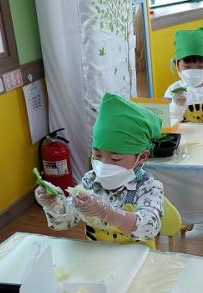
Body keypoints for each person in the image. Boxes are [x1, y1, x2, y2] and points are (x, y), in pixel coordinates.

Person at [35, 93, 164, 250]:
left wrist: (106, 212)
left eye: (115, 159)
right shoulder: (91, 181)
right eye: (97, 155)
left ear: (142, 157)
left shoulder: (149, 188)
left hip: (138, 256)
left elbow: (149, 228)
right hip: (98, 255)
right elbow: (66, 221)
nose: (104, 164)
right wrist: (55, 205)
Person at [164, 27, 203, 124]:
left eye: (201, 67)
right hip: (183, 134)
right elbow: (166, 122)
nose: (193, 72)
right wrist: (176, 106)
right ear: (176, 64)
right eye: (187, 67)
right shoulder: (173, 91)